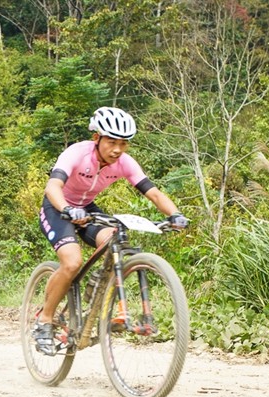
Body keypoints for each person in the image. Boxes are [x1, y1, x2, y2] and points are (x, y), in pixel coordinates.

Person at [33, 106, 189, 356]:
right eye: (112, 141)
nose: (117, 149)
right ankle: (45, 320)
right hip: (58, 207)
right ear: (97, 138)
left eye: (124, 143)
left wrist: (175, 214)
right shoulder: (77, 153)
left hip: (87, 208)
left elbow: (154, 192)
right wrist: (66, 209)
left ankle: (98, 288)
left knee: (113, 238)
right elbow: (53, 186)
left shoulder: (125, 163)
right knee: (72, 262)